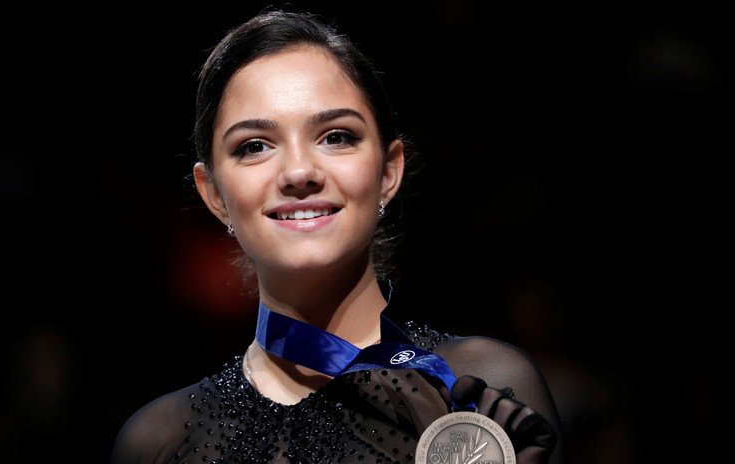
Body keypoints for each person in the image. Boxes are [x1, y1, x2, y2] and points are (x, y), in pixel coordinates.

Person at [112, 9, 562, 464]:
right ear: (215, 195)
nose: (300, 172)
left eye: (336, 136)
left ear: (388, 172)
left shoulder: (482, 392)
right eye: (254, 146)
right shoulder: (160, 442)